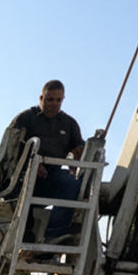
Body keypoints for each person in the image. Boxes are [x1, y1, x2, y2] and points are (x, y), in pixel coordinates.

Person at [10, 80, 85, 247]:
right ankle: (24, 238)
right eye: (50, 100)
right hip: (23, 175)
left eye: (59, 100)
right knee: (21, 191)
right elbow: (11, 147)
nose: (54, 104)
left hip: (52, 176)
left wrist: (79, 152)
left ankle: (54, 235)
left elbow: (80, 148)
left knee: (71, 184)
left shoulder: (69, 124)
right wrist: (30, 164)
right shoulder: (26, 118)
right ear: (41, 98)